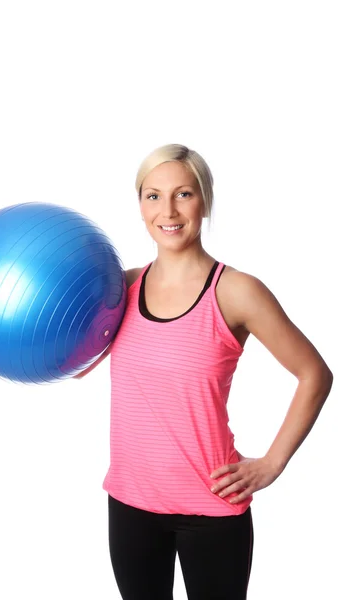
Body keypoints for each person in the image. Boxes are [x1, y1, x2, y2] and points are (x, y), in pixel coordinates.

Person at [76, 144, 333, 599]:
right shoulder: (122, 287)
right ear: (139, 205)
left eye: (184, 194)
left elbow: (315, 373)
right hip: (130, 504)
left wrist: (272, 463)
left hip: (212, 508)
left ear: (204, 201)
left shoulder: (237, 292)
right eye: (153, 196)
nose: (168, 210)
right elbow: (74, 365)